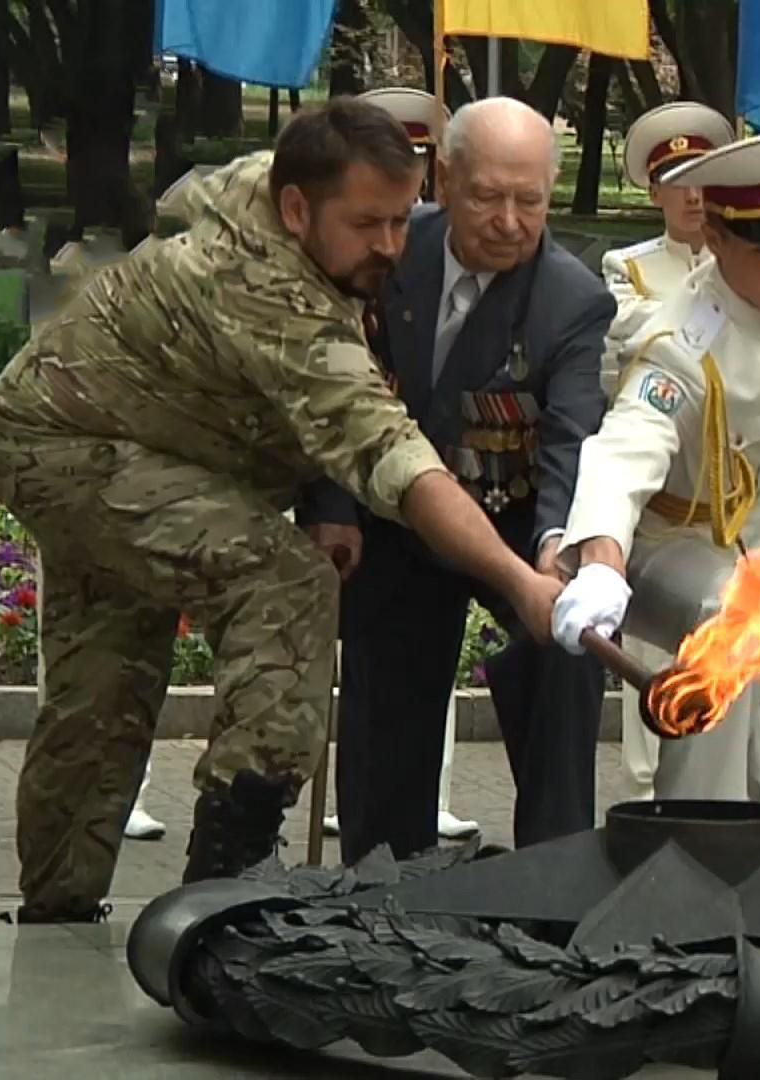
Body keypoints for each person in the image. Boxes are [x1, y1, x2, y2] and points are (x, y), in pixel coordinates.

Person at [0, 99, 565, 923]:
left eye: (404, 220)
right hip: (68, 446)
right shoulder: (268, 289)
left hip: (138, 444)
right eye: (369, 224)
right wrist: (517, 581)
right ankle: (230, 871)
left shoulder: (285, 195)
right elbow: (392, 454)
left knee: (103, 688)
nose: (392, 247)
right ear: (298, 209)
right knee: (284, 579)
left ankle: (57, 906)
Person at [296, 97, 614, 858]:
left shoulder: (571, 301)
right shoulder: (388, 248)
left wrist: (555, 549)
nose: (509, 220)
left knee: (569, 648)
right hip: (394, 522)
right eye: (487, 196)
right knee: (387, 689)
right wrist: (331, 506)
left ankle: (554, 867)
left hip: (513, 518)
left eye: (529, 200)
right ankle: (381, 879)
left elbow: (573, 437)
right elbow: (327, 385)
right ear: (443, 177)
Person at [548, 127, 760, 836]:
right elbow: (624, 451)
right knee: (728, 617)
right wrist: (599, 563)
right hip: (670, 545)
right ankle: (688, 842)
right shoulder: (681, 344)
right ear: (717, 238)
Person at [311, 87, 481, 846]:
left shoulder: (432, 245)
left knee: (418, 703)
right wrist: (329, 508)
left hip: (457, 503)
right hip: (362, 502)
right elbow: (325, 399)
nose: (391, 233)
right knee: (366, 704)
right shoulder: (333, 261)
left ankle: (402, 859)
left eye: (404, 206)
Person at [599, 102, 736, 801]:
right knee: (648, 655)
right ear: (654, 193)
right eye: (674, 179)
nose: (690, 194)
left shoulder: (743, 264)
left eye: (701, 178)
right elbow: (632, 331)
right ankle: (640, 792)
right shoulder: (628, 265)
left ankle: (699, 797)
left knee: (720, 648)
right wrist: (709, 288)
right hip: (657, 497)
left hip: (724, 501)